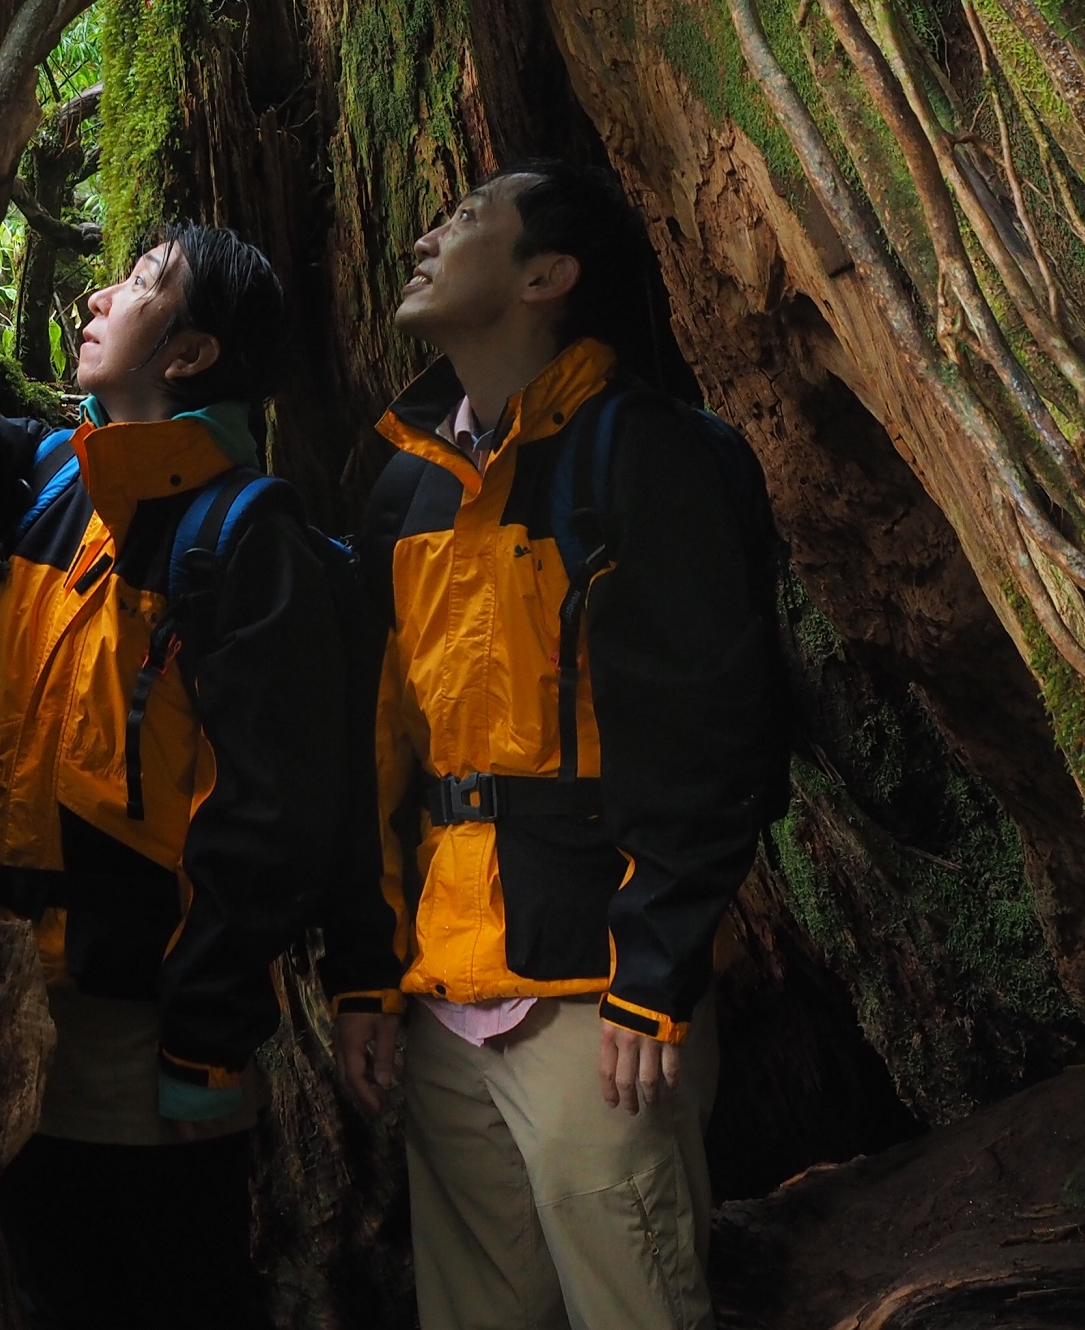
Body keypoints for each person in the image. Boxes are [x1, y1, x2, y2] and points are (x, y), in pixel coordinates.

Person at [324, 162, 786, 1330]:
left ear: (547, 275)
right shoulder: (400, 486)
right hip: (445, 991)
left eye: (468, 217)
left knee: (636, 1304)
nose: (429, 236)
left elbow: (716, 727)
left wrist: (654, 975)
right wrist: (367, 976)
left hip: (598, 996)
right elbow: (377, 752)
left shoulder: (646, 454)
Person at [0, 224, 345, 1330]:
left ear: (191, 354)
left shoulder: (246, 537)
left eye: (143, 282)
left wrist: (206, 1045)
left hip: (141, 1034)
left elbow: (269, 817)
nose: (101, 294)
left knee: (167, 1291)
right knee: (50, 1286)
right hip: (5, 1001)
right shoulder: (55, 477)